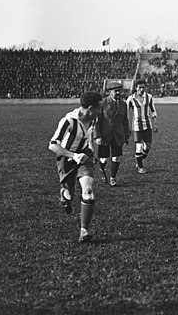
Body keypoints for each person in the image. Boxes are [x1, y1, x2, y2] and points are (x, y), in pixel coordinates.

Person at [48, 91, 103, 243]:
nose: (101, 111)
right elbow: (52, 146)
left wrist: (91, 150)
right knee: (70, 194)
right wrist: (73, 156)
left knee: (89, 191)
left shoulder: (92, 119)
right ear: (91, 108)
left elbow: (89, 134)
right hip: (67, 158)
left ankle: (84, 231)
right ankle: (65, 196)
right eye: (99, 108)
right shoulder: (68, 121)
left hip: (84, 156)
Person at [95, 82, 130, 186]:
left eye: (119, 91)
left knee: (116, 157)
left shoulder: (124, 104)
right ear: (110, 92)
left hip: (117, 135)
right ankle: (102, 169)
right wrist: (98, 136)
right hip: (105, 135)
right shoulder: (103, 103)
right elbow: (97, 121)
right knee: (104, 159)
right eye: (116, 91)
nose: (118, 93)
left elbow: (125, 121)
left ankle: (112, 178)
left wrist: (126, 136)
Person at [126, 80, 158, 174]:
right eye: (139, 87)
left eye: (143, 87)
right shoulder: (131, 99)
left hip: (147, 124)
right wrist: (127, 127)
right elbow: (126, 114)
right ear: (136, 88)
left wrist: (155, 123)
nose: (141, 89)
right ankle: (140, 167)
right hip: (137, 126)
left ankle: (140, 159)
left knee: (147, 146)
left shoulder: (149, 97)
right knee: (138, 146)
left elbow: (153, 110)